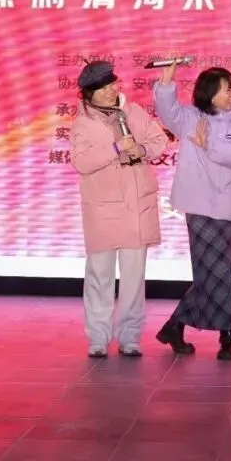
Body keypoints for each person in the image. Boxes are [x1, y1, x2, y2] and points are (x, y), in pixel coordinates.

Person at [152, 59, 231, 361]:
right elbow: (168, 111)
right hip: (199, 204)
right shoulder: (190, 118)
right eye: (226, 89)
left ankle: (175, 326)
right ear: (209, 92)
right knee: (218, 270)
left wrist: (209, 144)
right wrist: (166, 84)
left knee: (216, 271)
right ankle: (228, 334)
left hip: (230, 204)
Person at [67, 60, 169, 358]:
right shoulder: (83, 123)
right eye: (103, 88)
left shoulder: (133, 111)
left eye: (112, 84)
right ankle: (98, 337)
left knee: (134, 278)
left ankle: (130, 337)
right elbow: (81, 162)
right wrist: (115, 148)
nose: (111, 91)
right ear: (89, 93)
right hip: (103, 208)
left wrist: (142, 149)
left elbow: (159, 139)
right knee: (100, 275)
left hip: (136, 205)